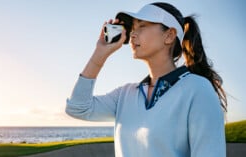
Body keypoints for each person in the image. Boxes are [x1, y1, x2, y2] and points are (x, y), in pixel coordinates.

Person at [65, 2, 227, 157]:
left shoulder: (198, 89)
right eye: (133, 29)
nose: (132, 34)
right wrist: (100, 54)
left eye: (142, 26)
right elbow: (77, 108)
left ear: (169, 35)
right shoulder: (125, 94)